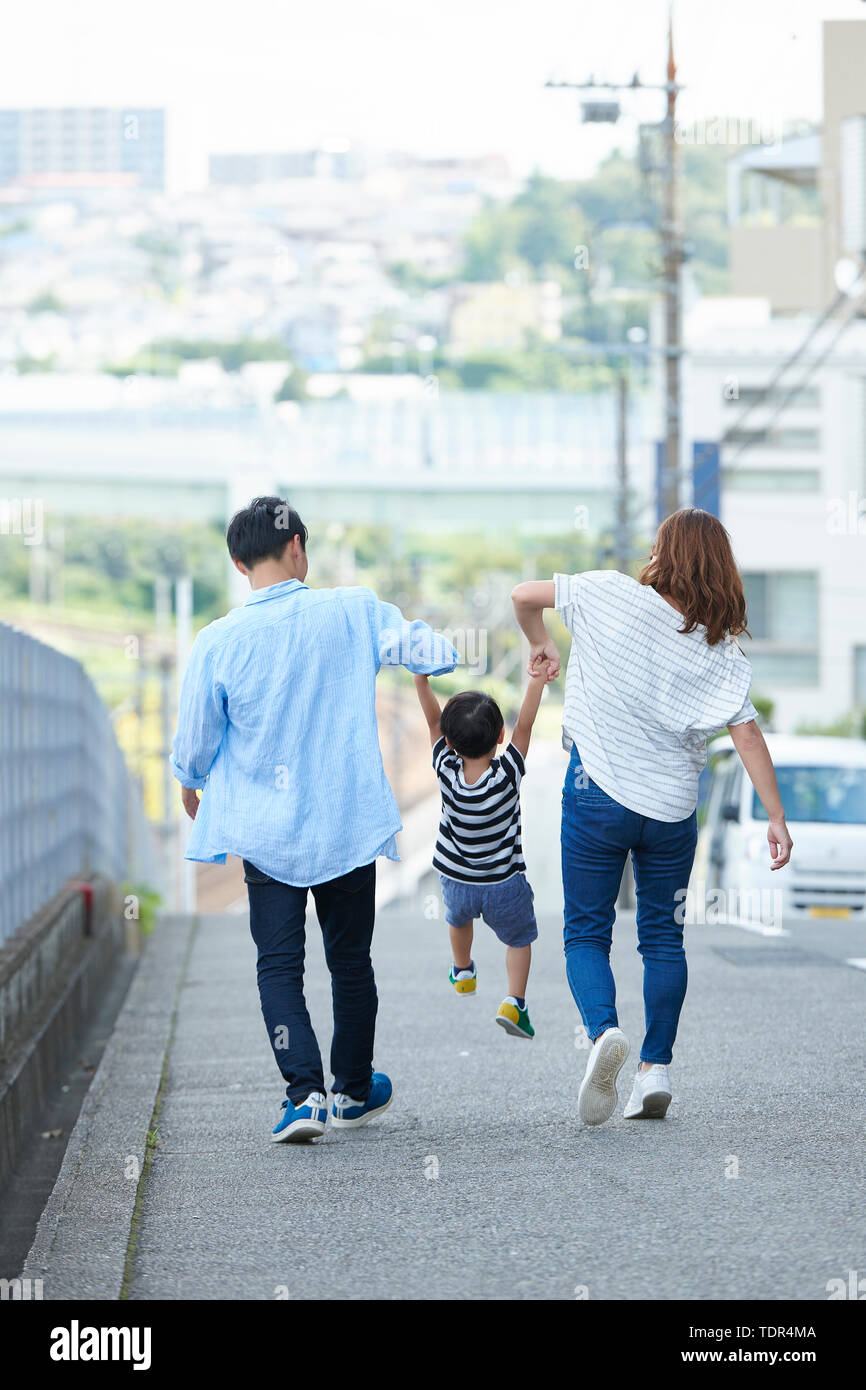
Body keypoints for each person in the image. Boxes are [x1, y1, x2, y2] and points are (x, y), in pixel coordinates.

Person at [171, 497, 459, 1143]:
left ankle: (303, 1096)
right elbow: (432, 653)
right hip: (344, 823)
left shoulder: (218, 640)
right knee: (350, 961)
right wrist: (433, 654)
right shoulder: (353, 609)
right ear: (297, 546)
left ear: (239, 563)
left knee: (278, 966)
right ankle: (354, 1088)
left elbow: (195, 742)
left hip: (267, 833)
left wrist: (192, 784)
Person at [511, 507, 793, 1126]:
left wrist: (541, 643)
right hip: (669, 812)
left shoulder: (606, 593)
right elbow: (746, 736)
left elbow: (523, 595)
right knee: (663, 938)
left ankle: (603, 1033)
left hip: (596, 796)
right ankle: (654, 1069)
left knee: (587, 931)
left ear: (663, 553)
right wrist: (775, 817)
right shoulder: (720, 649)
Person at [413, 662, 549, 1040]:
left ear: (451, 744)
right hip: (504, 883)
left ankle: (463, 971)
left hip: (457, 880)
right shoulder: (507, 774)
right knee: (519, 940)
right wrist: (535, 682)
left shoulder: (446, 770)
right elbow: (526, 727)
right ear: (500, 736)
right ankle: (514, 1002)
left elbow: (432, 724)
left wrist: (421, 681)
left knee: (458, 921)